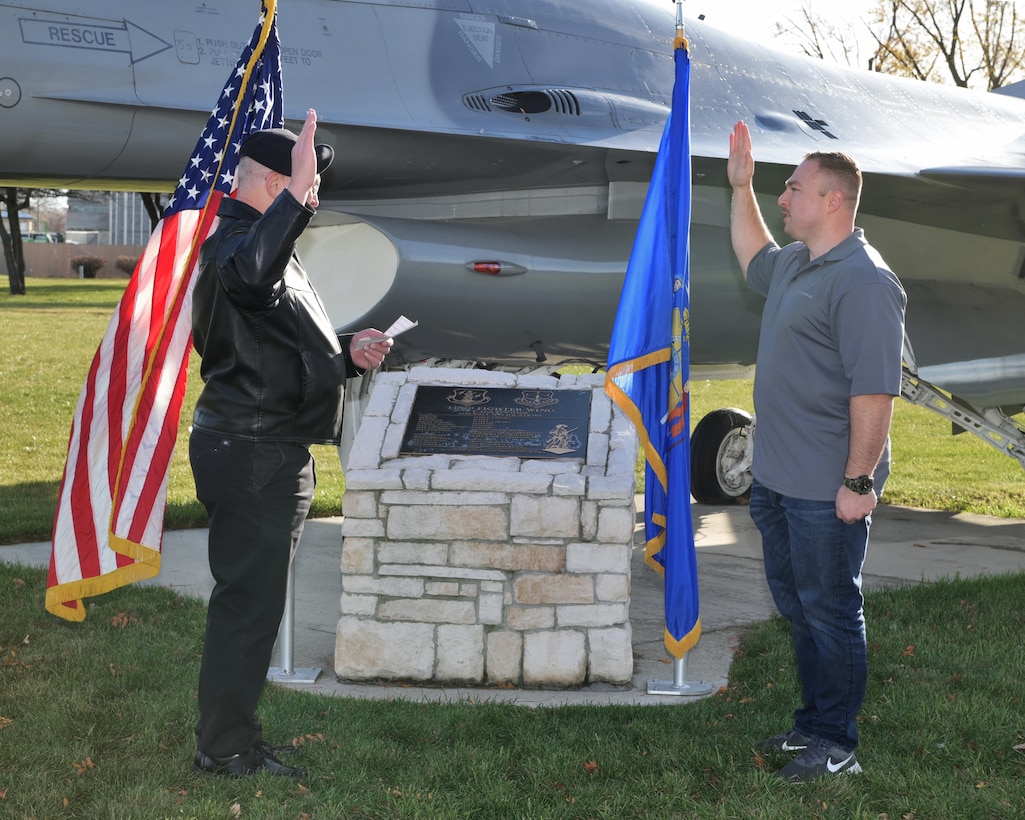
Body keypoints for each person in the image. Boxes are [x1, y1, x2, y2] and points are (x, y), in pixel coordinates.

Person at [189, 109, 392, 778]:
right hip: (254, 453)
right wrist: (298, 203)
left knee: (253, 603)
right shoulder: (240, 249)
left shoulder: (255, 245)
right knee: (248, 607)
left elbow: (265, 347)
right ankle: (224, 748)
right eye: (307, 185)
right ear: (277, 186)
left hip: (264, 445)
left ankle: (231, 734)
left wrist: (341, 354)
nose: (316, 197)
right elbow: (251, 283)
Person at [726, 121, 907, 782]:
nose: (783, 198)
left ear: (832, 199)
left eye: (792, 187)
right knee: (798, 606)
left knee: (830, 610)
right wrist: (740, 186)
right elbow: (753, 254)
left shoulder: (863, 282)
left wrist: (857, 483)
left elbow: (874, 393)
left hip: (823, 488)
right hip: (775, 479)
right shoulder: (799, 263)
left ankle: (836, 744)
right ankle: (811, 724)